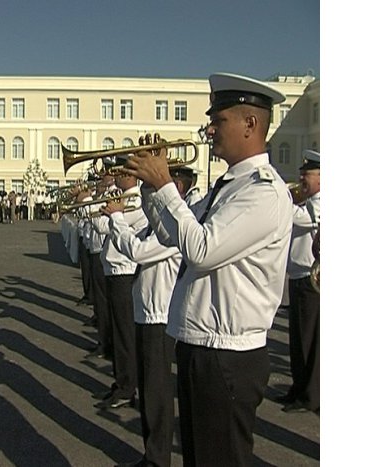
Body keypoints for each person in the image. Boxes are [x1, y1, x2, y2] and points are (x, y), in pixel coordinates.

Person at [122, 72, 293, 466]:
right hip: (203, 345)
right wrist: (151, 191)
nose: (210, 129)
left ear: (250, 125)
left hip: (228, 356)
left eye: (219, 120)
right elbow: (171, 235)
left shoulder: (263, 191)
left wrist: (166, 184)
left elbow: (201, 250)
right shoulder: (228, 185)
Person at [101, 168, 191, 467]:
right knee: (151, 393)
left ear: (175, 186)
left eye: (153, 185)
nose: (147, 190)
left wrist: (116, 217)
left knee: (157, 394)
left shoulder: (174, 229)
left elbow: (137, 252)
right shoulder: (160, 224)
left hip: (159, 317)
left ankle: (157, 458)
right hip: (147, 313)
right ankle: (152, 454)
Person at [91, 163, 148, 410]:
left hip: (125, 272)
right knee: (118, 331)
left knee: (125, 334)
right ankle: (121, 381)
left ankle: (127, 387)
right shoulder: (122, 199)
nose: (116, 177)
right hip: (114, 270)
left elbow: (103, 226)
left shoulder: (134, 202)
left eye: (122, 174)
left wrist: (95, 204)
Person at [276, 149, 320, 414]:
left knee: (308, 341)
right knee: (297, 341)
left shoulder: (321, 202)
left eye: (307, 175)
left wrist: (281, 201)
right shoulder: (308, 201)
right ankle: (298, 387)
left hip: (310, 279)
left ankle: (310, 395)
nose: (302, 179)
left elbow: (301, 220)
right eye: (302, 175)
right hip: (298, 276)